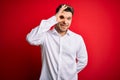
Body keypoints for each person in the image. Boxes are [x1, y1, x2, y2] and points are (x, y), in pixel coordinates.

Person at [26, 4, 88, 80]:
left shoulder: (77, 39)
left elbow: (83, 60)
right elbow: (30, 38)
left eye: (69, 18)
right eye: (61, 17)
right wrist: (53, 19)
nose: (65, 22)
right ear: (56, 17)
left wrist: (70, 73)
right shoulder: (45, 36)